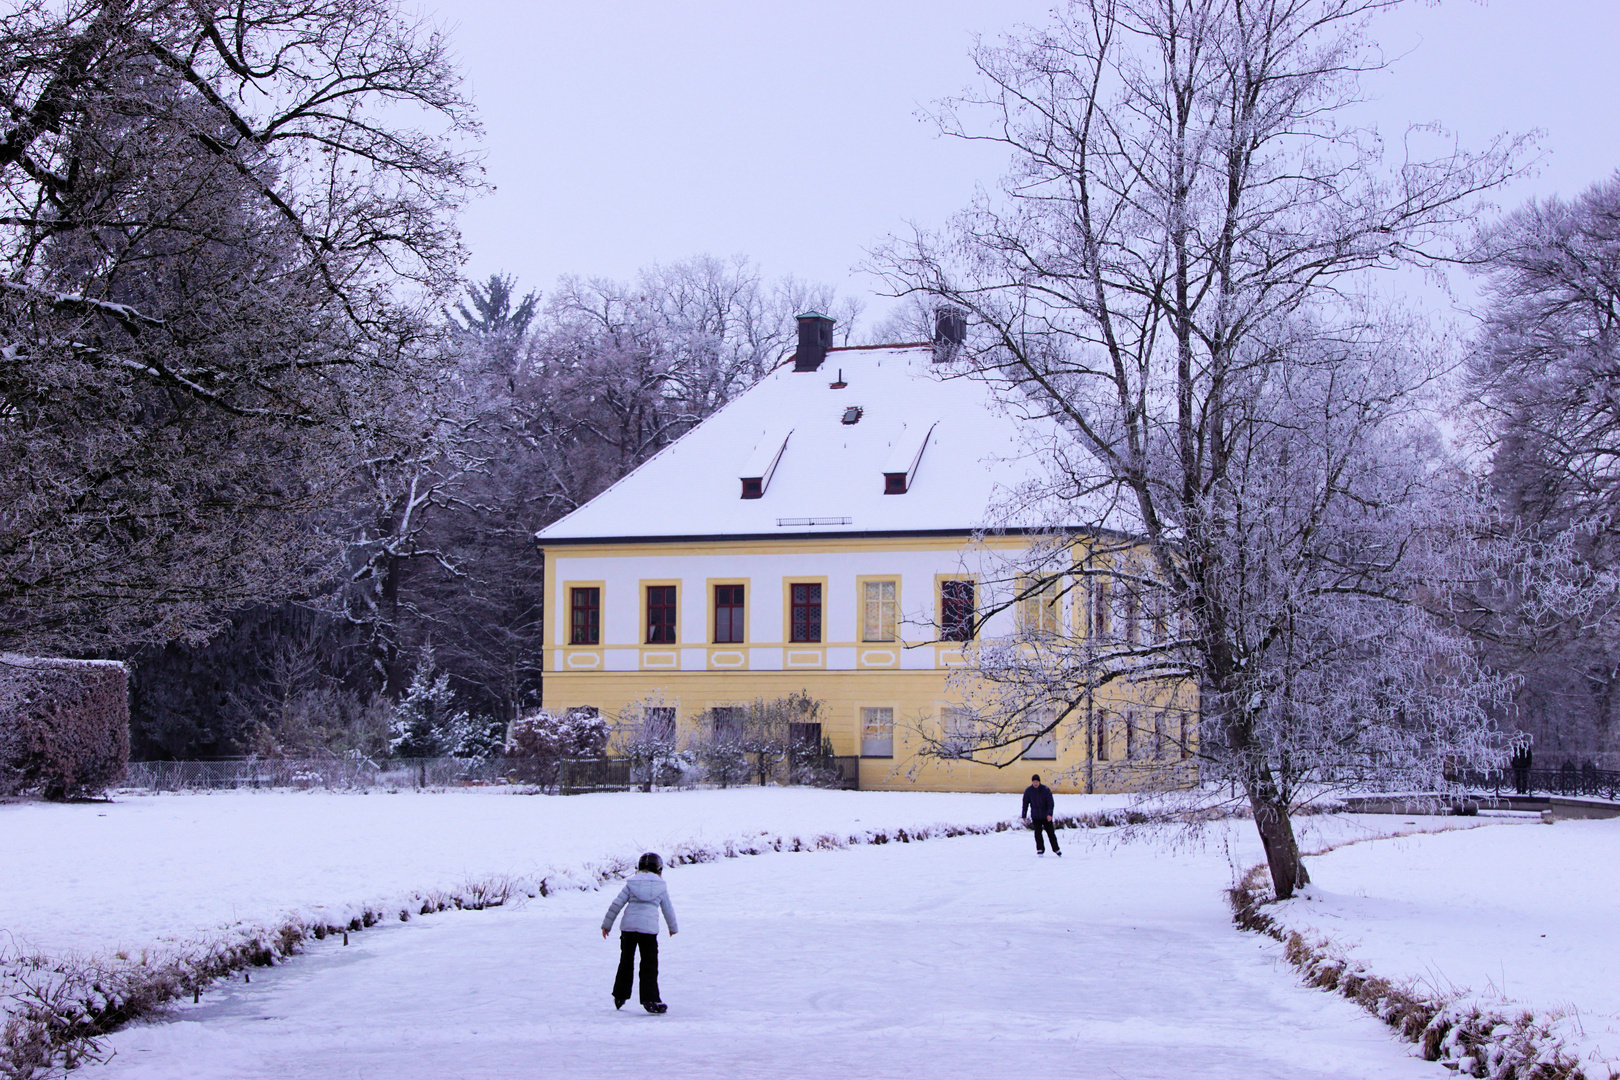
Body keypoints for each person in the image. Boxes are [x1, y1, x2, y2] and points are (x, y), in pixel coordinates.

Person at [601, 851, 678, 1013]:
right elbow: (668, 909)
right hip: (648, 931)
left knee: (626, 962)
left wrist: (607, 925)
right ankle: (650, 999)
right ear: (659, 869)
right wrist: (673, 928)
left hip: (628, 928)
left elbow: (617, 904)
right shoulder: (660, 886)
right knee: (649, 964)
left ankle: (620, 996)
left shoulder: (631, 884)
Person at [1021, 774, 1061, 856]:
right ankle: (1040, 849)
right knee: (1037, 833)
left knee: (1050, 833)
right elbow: (1025, 803)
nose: (1035, 783)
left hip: (1046, 816)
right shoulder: (1029, 791)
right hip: (1035, 816)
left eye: (1037, 782)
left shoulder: (1045, 790)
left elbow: (1050, 803)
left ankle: (1056, 849)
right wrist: (1024, 814)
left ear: (1039, 782)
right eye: (1034, 782)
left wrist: (1049, 814)